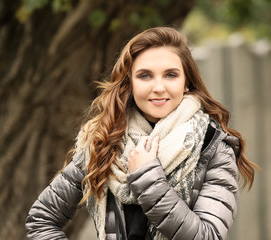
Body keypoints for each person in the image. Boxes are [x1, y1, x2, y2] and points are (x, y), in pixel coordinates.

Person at [25, 26, 258, 240]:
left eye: (171, 75)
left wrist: (148, 176)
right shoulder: (104, 140)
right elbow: (41, 220)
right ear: (130, 83)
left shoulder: (213, 147)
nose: (158, 87)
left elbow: (208, 236)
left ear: (186, 83)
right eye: (145, 75)